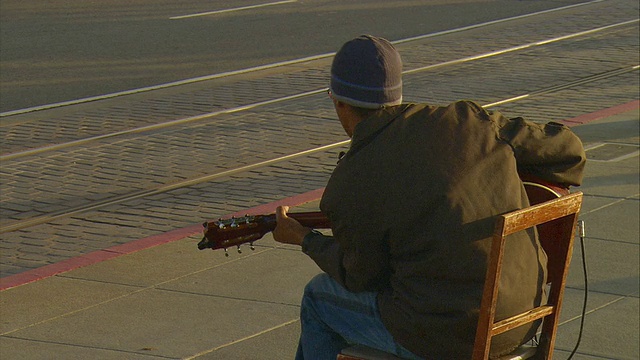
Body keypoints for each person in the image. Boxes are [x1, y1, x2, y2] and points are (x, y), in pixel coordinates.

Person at [272, 35, 586, 360]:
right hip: (522, 321)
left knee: (318, 298)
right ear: (397, 93)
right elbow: (569, 151)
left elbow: (361, 276)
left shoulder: (351, 180)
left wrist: (305, 239)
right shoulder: (469, 121)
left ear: (338, 101)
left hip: (447, 340)